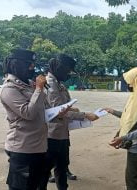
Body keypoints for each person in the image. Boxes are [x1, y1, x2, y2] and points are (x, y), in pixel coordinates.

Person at [39, 54, 98, 190]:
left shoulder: (58, 83)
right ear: (59, 68)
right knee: (45, 172)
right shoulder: (51, 84)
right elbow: (59, 111)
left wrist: (73, 108)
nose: (68, 74)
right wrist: (84, 115)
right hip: (51, 135)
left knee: (62, 168)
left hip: (62, 134)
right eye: (67, 71)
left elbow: (65, 106)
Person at [0, 49, 48, 190]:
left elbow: (41, 108)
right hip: (22, 150)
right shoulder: (9, 89)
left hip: (38, 147)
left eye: (33, 65)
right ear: (17, 65)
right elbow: (29, 113)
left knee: (34, 186)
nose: (32, 68)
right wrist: (38, 89)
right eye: (29, 65)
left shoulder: (27, 84)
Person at [104, 67, 137, 190]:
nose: (128, 84)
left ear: (136, 82)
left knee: (132, 179)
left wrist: (123, 137)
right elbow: (131, 118)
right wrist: (113, 111)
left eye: (130, 82)